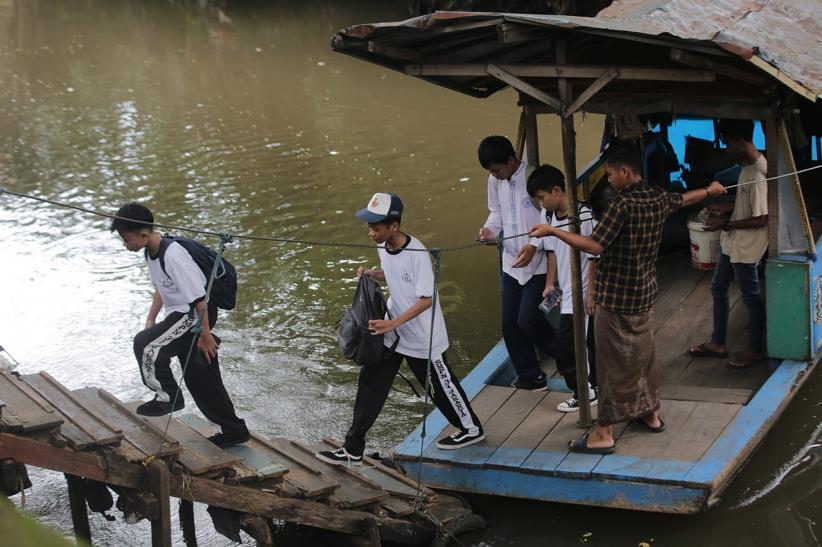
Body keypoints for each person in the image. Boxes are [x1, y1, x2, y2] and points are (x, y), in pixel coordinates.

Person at [528, 141, 726, 454]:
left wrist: (553, 232)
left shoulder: (621, 205)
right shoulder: (657, 196)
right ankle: (649, 413)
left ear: (624, 171)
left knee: (610, 365)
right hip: (644, 295)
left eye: (609, 174)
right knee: (642, 358)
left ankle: (603, 432)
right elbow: (687, 198)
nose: (607, 179)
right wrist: (711, 191)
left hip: (615, 299)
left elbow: (594, 246)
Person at [316, 193, 484, 465]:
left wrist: (391, 323)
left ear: (394, 226)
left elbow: (427, 299)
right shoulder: (383, 246)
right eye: (369, 226)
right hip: (393, 333)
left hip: (421, 337)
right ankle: (352, 448)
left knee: (439, 386)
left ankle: (471, 429)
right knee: (370, 384)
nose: (370, 233)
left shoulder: (417, 253)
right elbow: (391, 273)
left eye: (376, 227)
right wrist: (373, 274)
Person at [110, 202, 249, 448]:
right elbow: (163, 287)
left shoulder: (173, 254)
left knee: (144, 345)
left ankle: (168, 397)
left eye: (126, 239)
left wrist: (204, 335)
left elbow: (199, 298)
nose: (125, 244)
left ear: (143, 234)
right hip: (183, 317)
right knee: (201, 378)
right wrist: (151, 318)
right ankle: (234, 430)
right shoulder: (150, 252)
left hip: (195, 315)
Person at [478, 135, 557, 390]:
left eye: (497, 169)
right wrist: (489, 230)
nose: (495, 175)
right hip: (511, 261)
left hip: (540, 261)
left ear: (511, 161)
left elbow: (550, 218)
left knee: (529, 320)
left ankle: (570, 358)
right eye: (492, 171)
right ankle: (530, 376)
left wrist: (534, 246)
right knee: (510, 323)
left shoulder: (533, 178)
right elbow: (497, 212)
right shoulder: (495, 180)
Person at [689, 119, 768, 368]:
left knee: (751, 296)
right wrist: (727, 207)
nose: (726, 149)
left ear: (739, 141)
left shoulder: (757, 173)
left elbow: (761, 218)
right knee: (718, 287)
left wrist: (724, 223)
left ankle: (756, 349)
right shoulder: (746, 166)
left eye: (727, 144)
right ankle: (718, 342)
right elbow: (748, 205)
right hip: (732, 242)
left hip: (747, 246)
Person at [520, 164, 598, 412]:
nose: (541, 204)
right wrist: (549, 283)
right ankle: (582, 389)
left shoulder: (583, 216)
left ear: (556, 190)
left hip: (584, 290)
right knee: (568, 345)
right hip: (566, 290)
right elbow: (552, 251)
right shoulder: (549, 217)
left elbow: (595, 256)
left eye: (542, 198)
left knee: (574, 343)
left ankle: (588, 390)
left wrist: (593, 293)